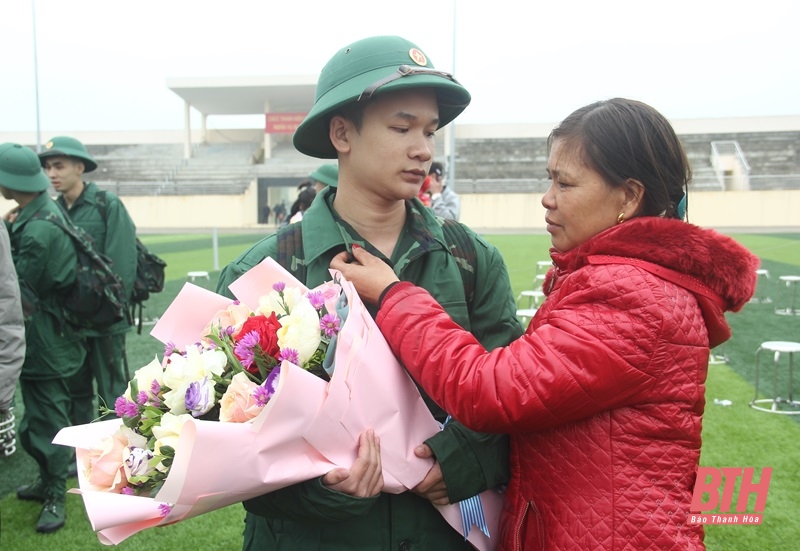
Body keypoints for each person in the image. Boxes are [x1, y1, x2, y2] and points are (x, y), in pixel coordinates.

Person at [332, 98, 760, 550]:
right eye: (549, 179)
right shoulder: (617, 279)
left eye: (565, 183)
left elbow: (489, 391)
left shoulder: (632, 296)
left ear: (629, 197)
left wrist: (395, 296)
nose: (547, 197)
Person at [216, 35, 523, 550]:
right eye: (401, 127)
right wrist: (322, 488)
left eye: (429, 130)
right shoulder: (265, 271)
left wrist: (464, 461)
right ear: (341, 133)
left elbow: (516, 395)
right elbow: (222, 437)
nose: (423, 148)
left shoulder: (470, 260)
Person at [0, 142, 87, 533]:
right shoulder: (42, 214)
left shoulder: (36, 228)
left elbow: (19, 289)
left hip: (44, 341)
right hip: (52, 335)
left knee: (47, 420)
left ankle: (55, 493)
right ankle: (46, 481)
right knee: (40, 416)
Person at [38, 137, 138, 427]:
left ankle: (119, 445)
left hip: (105, 319)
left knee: (111, 390)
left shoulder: (106, 204)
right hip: (69, 321)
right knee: (76, 389)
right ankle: (80, 452)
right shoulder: (53, 211)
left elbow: (123, 263)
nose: (52, 174)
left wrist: (112, 309)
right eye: (47, 168)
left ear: (79, 167)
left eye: (59, 166)